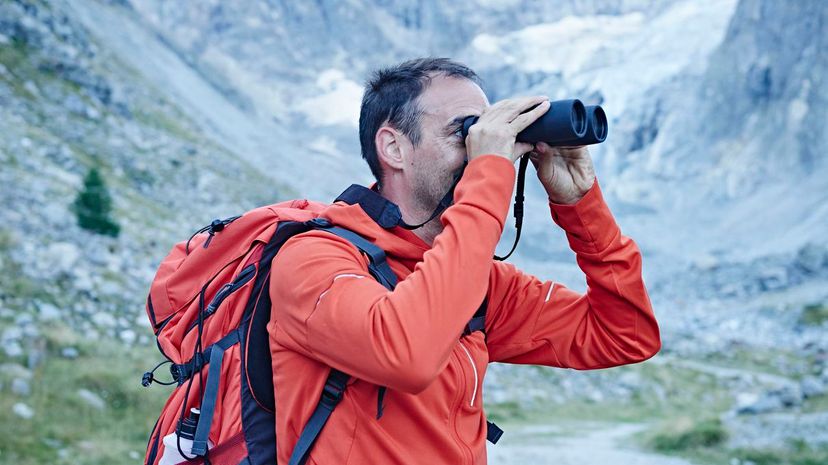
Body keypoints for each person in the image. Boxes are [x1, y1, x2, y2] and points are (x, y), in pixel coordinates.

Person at [268, 57, 661, 464]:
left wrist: (581, 206)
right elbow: (407, 355)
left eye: (489, 134)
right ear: (394, 148)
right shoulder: (312, 261)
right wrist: (489, 175)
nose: (483, 151)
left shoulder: (481, 285)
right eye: (466, 132)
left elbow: (625, 335)